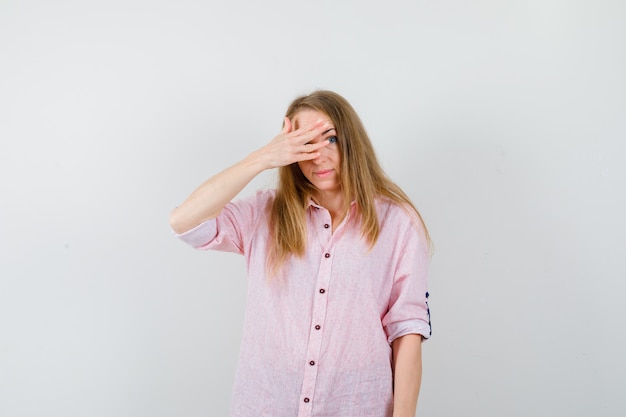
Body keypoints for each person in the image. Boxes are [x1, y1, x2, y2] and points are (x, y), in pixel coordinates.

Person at [170, 90, 432, 417]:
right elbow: (183, 223)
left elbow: (407, 330)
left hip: (355, 406)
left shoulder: (398, 222)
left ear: (352, 141)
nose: (317, 156)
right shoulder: (264, 213)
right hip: (266, 405)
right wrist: (261, 158)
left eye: (330, 139)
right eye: (304, 144)